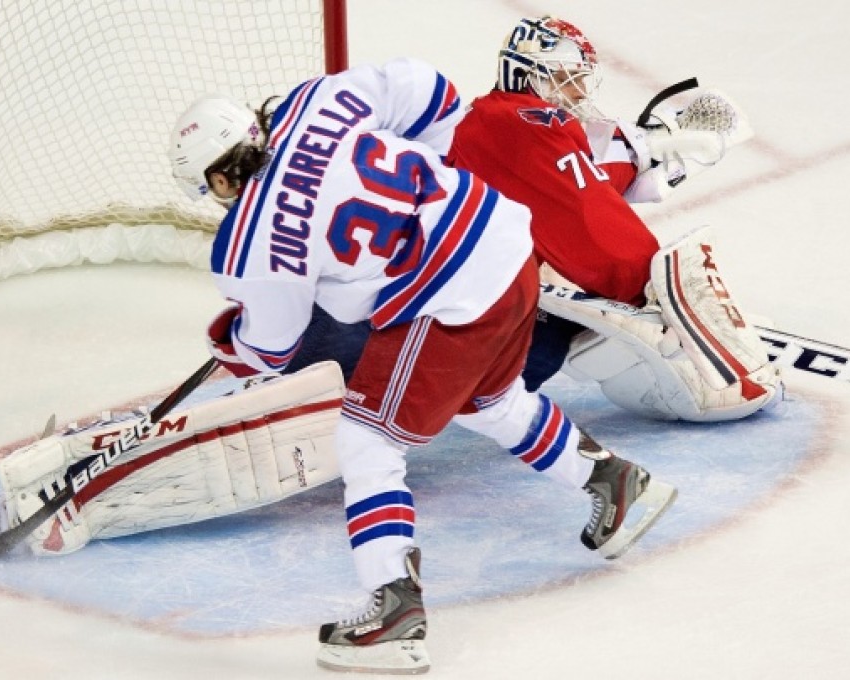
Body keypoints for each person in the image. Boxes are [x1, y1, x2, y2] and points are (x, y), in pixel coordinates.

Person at [168, 58, 676, 674]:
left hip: (447, 294)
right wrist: (435, 183)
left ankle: (393, 613)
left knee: (366, 438)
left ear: (220, 178)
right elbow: (434, 94)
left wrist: (230, 340)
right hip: (506, 236)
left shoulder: (249, 237)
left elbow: (272, 349)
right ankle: (615, 482)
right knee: (488, 401)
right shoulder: (314, 101)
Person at [285, 15, 783, 424]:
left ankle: (341, 381)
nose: (577, 90)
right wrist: (644, 286)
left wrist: (648, 153)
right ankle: (322, 389)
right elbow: (584, 213)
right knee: (500, 343)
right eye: (567, 77)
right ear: (529, 72)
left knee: (541, 342)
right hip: (376, 297)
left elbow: (573, 179)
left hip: (376, 278)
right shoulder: (525, 123)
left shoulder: (505, 125)